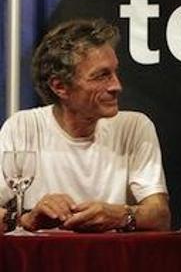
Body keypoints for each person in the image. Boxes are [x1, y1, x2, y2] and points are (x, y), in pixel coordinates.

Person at [0, 19, 170, 232]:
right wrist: (28, 219)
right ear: (60, 86)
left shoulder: (135, 127)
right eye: (102, 76)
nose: (117, 86)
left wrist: (119, 215)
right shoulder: (22, 127)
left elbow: (160, 216)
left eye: (115, 72)